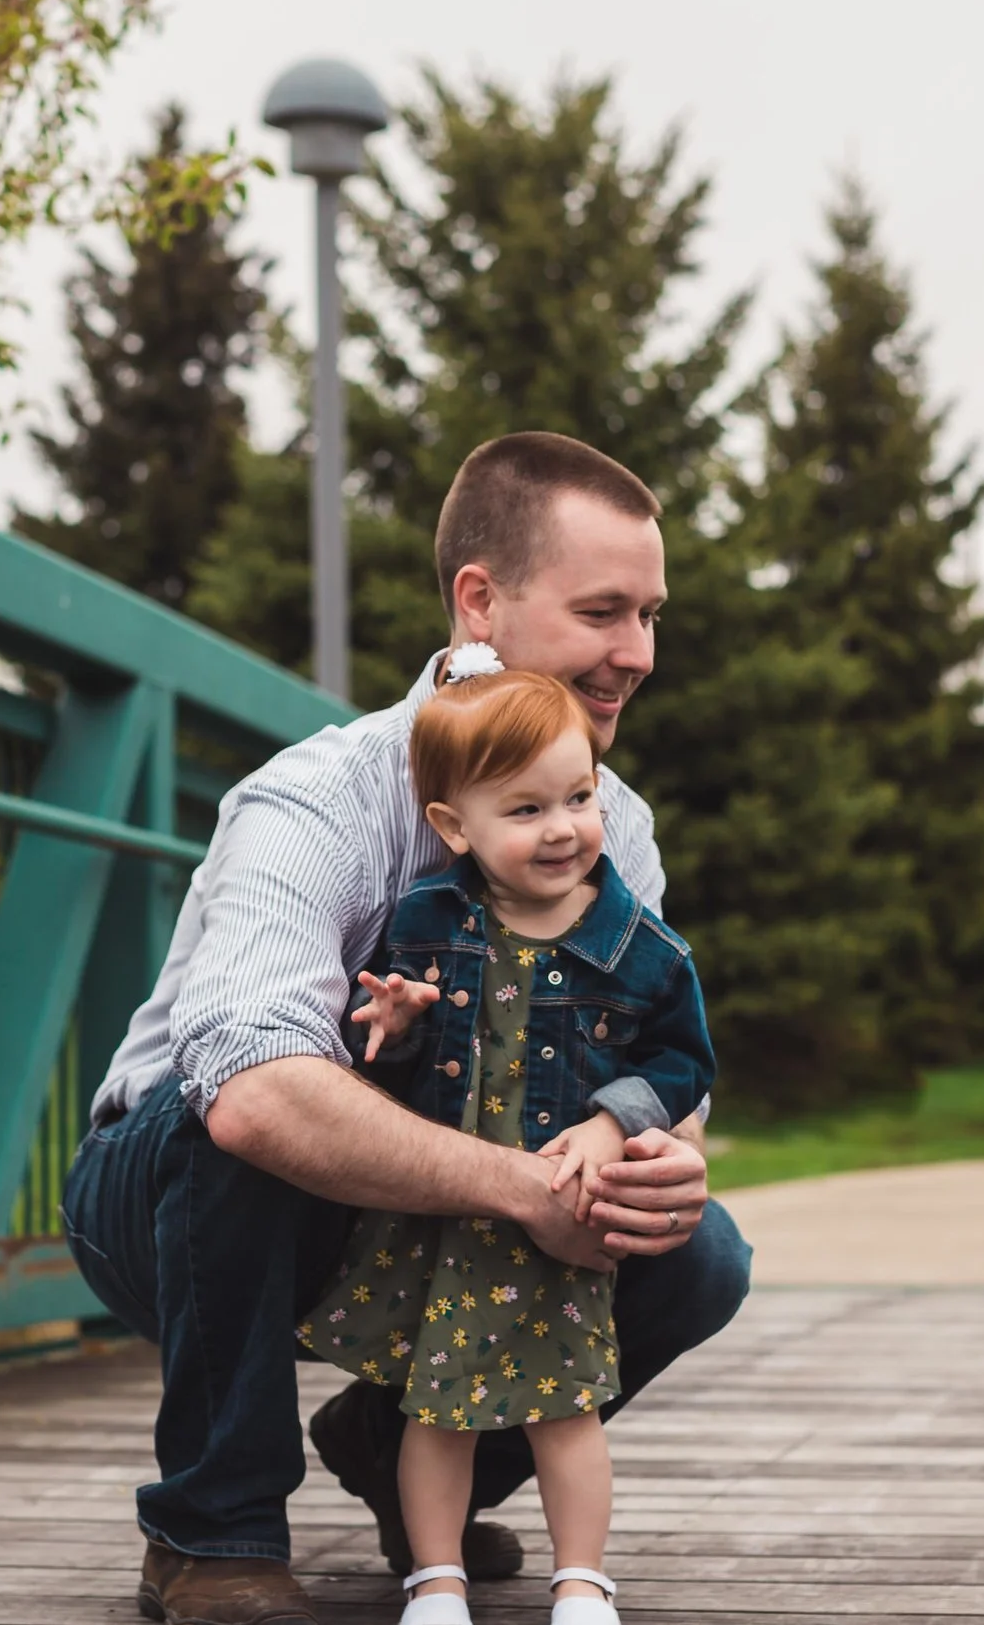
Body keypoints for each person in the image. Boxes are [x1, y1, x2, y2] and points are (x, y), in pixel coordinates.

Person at [62, 433, 753, 1625]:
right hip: (177, 1204)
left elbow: (650, 1054)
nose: (637, 653)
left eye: (649, 615)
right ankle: (209, 1528)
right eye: (604, 611)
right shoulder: (317, 798)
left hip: (452, 1209)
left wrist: (643, 1141)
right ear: (479, 601)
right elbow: (251, 1090)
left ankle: (396, 1451)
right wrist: (521, 1188)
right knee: (233, 1114)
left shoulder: (614, 825)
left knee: (696, 1254)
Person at [305, 662, 715, 1625]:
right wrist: (398, 1026)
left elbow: (683, 1063)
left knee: (565, 1409)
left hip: (559, 1213)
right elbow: (395, 1087)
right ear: (456, 827)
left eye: (579, 797)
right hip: (448, 1214)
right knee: (431, 1405)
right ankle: (435, 1578)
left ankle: (581, 1579)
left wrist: (616, 1120)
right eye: (526, 809)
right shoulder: (425, 924)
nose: (564, 826)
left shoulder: (645, 949)